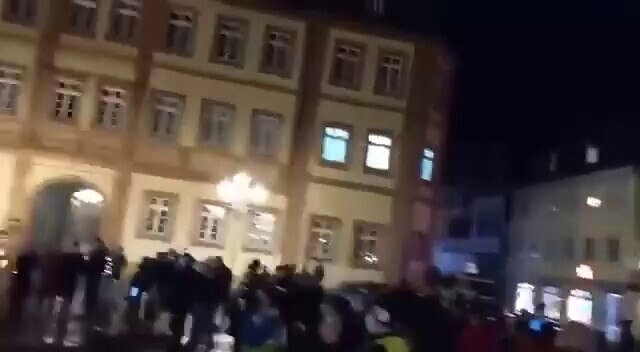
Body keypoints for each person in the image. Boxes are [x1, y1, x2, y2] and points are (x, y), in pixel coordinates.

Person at [85, 237, 108, 325]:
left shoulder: (99, 253)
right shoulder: (101, 252)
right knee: (92, 293)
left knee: (92, 293)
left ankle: (91, 310)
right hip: (94, 275)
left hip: (94, 275)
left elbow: (94, 264)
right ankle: (91, 310)